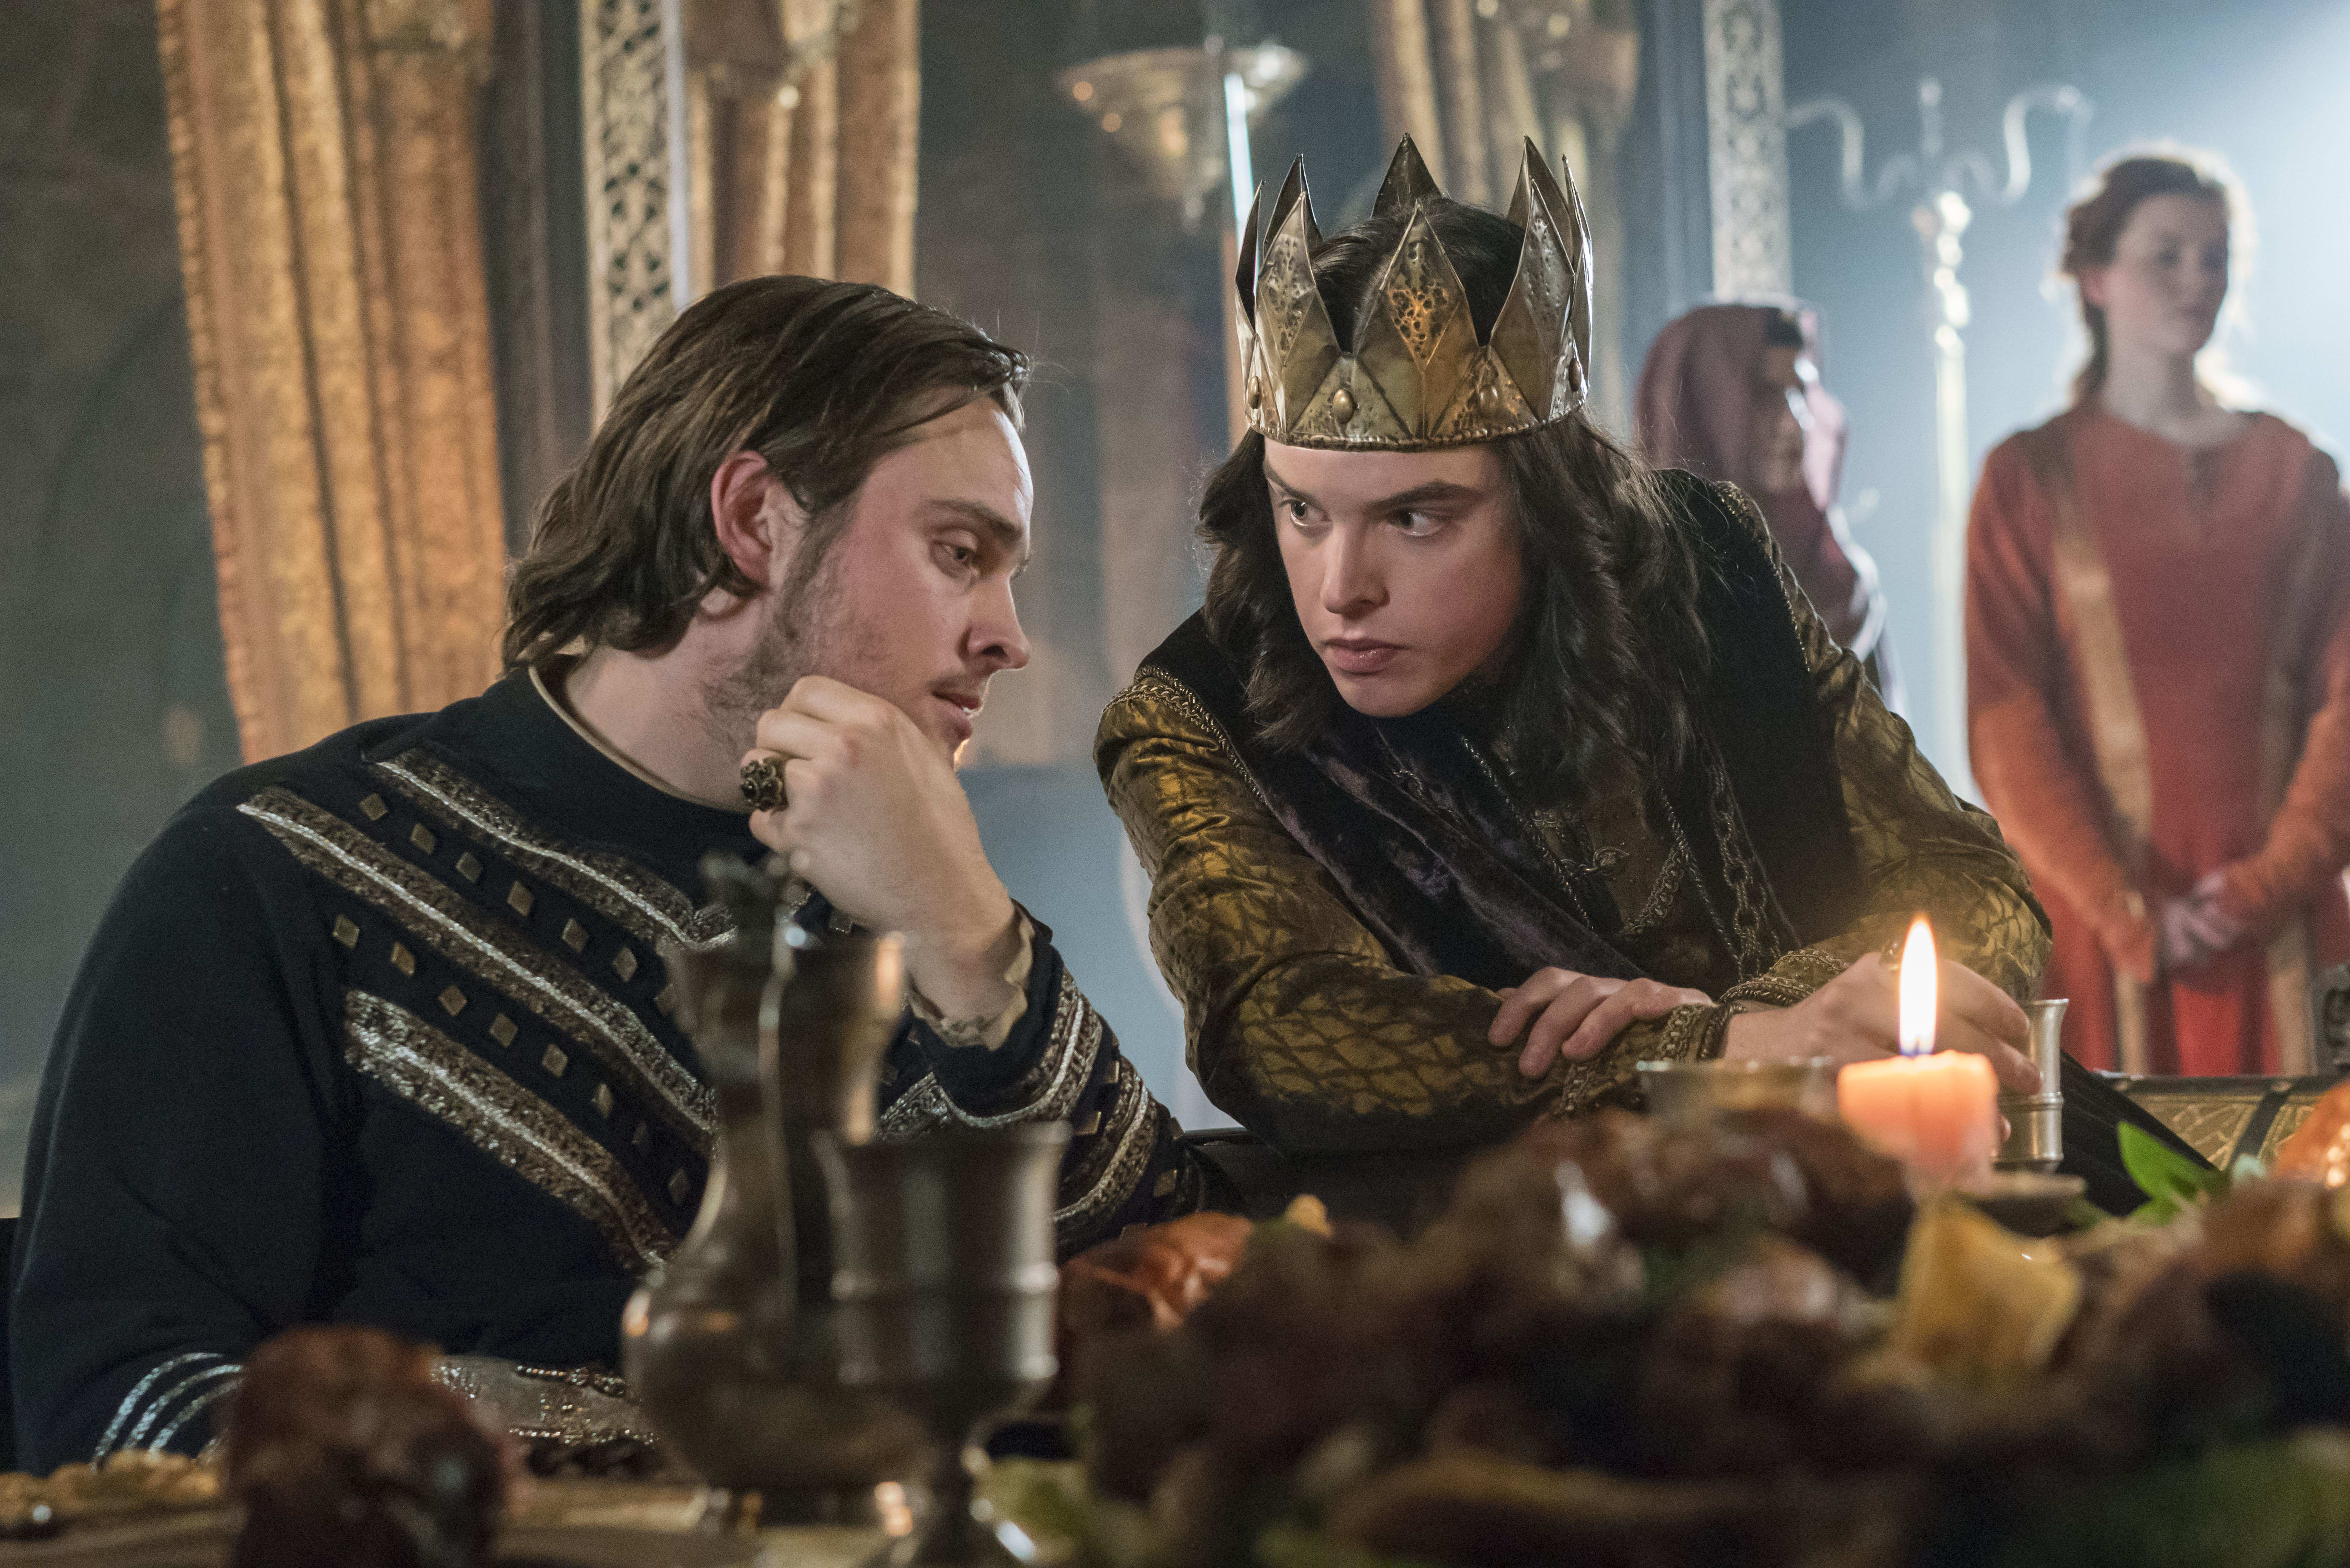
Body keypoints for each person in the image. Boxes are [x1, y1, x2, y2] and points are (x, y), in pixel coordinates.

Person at [12, 276, 1205, 1471]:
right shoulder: (280, 873)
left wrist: (970, 940)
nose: (1009, 636)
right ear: (755, 522)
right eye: (959, 552)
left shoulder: (929, 915)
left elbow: (1185, 1335)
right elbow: (115, 1389)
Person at [1094, 138, 2050, 1186]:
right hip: (1487, 1257)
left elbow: (1973, 883)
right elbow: (1283, 1034)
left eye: (1415, 518)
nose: (1340, 588)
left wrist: (1787, 1013)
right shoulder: (1190, 712)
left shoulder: (1708, 566)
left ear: (1546, 503)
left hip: (1845, 1193)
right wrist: (1716, 1049)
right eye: (1303, 511)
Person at [1967, 151, 2350, 1076]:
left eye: (2214, 257)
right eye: (2165, 255)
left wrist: (2268, 882)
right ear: (2095, 277)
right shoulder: (2030, 477)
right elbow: (2007, 718)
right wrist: (2122, 908)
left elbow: (2345, 694)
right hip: (2102, 928)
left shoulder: (2296, 471)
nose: (2196, 279)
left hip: (2287, 918)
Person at [1635, 301, 1898, 703]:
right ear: (1698, 409)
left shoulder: (1844, 588)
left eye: (1801, 393)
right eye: (1766, 396)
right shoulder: (1636, 596)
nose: (1796, 423)